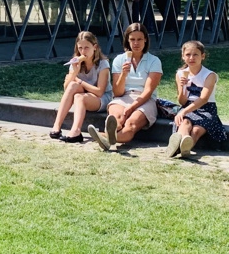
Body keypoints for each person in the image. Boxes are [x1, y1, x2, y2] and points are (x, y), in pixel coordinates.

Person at [88, 23, 163, 151]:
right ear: (127, 40)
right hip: (123, 96)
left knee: (130, 125)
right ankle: (109, 136)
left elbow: (148, 91)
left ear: (145, 39)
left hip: (145, 99)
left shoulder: (154, 61)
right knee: (117, 119)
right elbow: (117, 92)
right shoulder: (119, 60)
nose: (136, 43)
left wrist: (132, 107)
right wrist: (123, 74)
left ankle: (102, 136)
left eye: (139, 39)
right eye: (132, 39)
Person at [166, 41, 227, 158]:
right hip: (188, 106)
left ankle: (183, 147)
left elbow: (204, 99)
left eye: (195, 54)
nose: (191, 58)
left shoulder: (210, 75)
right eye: (188, 54)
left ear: (202, 56)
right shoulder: (180, 74)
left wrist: (184, 111)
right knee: (185, 122)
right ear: (183, 57)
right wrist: (183, 87)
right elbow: (182, 102)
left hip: (206, 108)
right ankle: (181, 144)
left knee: (196, 131)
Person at [49, 31, 112, 143]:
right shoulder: (76, 62)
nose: (83, 51)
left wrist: (80, 81)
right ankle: (56, 126)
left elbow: (99, 92)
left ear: (95, 47)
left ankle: (76, 131)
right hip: (84, 94)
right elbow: (67, 89)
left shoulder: (103, 64)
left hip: (101, 98)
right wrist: (75, 72)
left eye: (86, 48)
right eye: (80, 48)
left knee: (79, 96)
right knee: (73, 86)